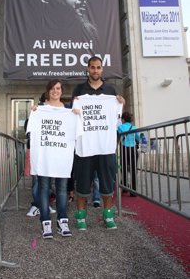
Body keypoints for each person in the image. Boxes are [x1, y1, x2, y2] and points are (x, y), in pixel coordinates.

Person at [72, 55, 125, 230]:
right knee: (82, 182)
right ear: (88, 69)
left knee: (107, 182)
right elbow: (73, 114)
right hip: (84, 147)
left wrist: (120, 106)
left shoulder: (111, 90)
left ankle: (108, 215)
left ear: (102, 69)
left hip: (105, 147)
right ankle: (81, 217)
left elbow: (117, 119)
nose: (95, 70)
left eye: (98, 67)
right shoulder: (79, 90)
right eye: (92, 67)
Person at [27, 79, 82, 239]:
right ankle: (45, 223)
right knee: (44, 189)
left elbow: (80, 131)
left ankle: (62, 221)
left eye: (58, 88)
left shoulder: (69, 111)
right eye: (52, 88)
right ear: (47, 91)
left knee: (62, 190)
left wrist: (79, 116)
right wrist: (34, 112)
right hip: (44, 158)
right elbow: (29, 130)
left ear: (61, 91)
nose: (55, 91)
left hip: (62, 158)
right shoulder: (39, 110)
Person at [25, 94, 56, 217]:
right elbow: (28, 134)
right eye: (47, 102)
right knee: (37, 181)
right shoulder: (33, 116)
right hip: (37, 152)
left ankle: (44, 204)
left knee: (48, 181)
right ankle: (36, 205)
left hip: (50, 152)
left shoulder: (55, 117)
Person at [117, 112, 140, 195]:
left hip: (124, 149)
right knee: (133, 169)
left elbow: (117, 138)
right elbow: (138, 138)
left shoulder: (120, 127)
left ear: (123, 119)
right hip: (133, 149)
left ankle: (125, 187)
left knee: (124, 169)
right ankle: (133, 191)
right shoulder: (134, 127)